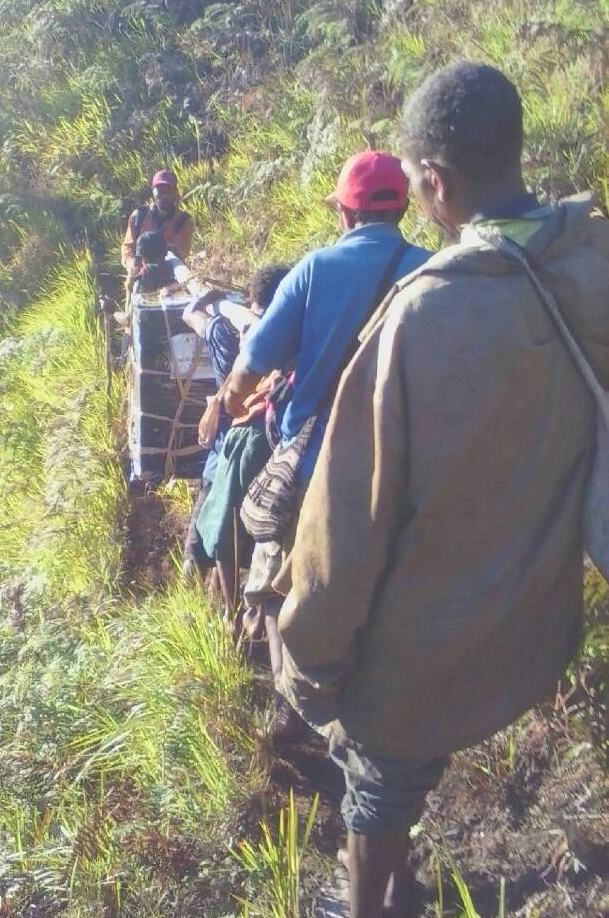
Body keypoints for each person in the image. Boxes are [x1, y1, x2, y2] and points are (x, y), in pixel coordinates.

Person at [276, 62, 609, 918]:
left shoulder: (423, 317)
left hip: (429, 641)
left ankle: (375, 903)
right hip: (537, 623)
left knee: (378, 776)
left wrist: (309, 658)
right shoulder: (593, 259)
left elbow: (346, 524)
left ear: (436, 181)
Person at [223, 152, 431, 743]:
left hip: (316, 468)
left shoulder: (315, 270)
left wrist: (232, 404)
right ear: (404, 209)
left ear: (344, 213)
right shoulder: (432, 272)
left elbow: (250, 367)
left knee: (276, 584)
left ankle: (296, 710)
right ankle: (381, 707)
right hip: (404, 469)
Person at [181, 265, 290, 619]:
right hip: (276, 438)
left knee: (217, 520)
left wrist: (209, 297)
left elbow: (190, 314)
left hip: (235, 438)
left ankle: (218, 609)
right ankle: (241, 605)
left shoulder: (224, 330)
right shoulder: (292, 333)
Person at [121, 169, 195, 273]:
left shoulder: (183, 221)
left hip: (170, 276)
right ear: (153, 190)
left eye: (168, 190)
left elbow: (180, 254)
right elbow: (128, 247)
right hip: (139, 275)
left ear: (175, 192)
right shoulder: (138, 216)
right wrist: (131, 263)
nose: (164, 195)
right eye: (160, 190)